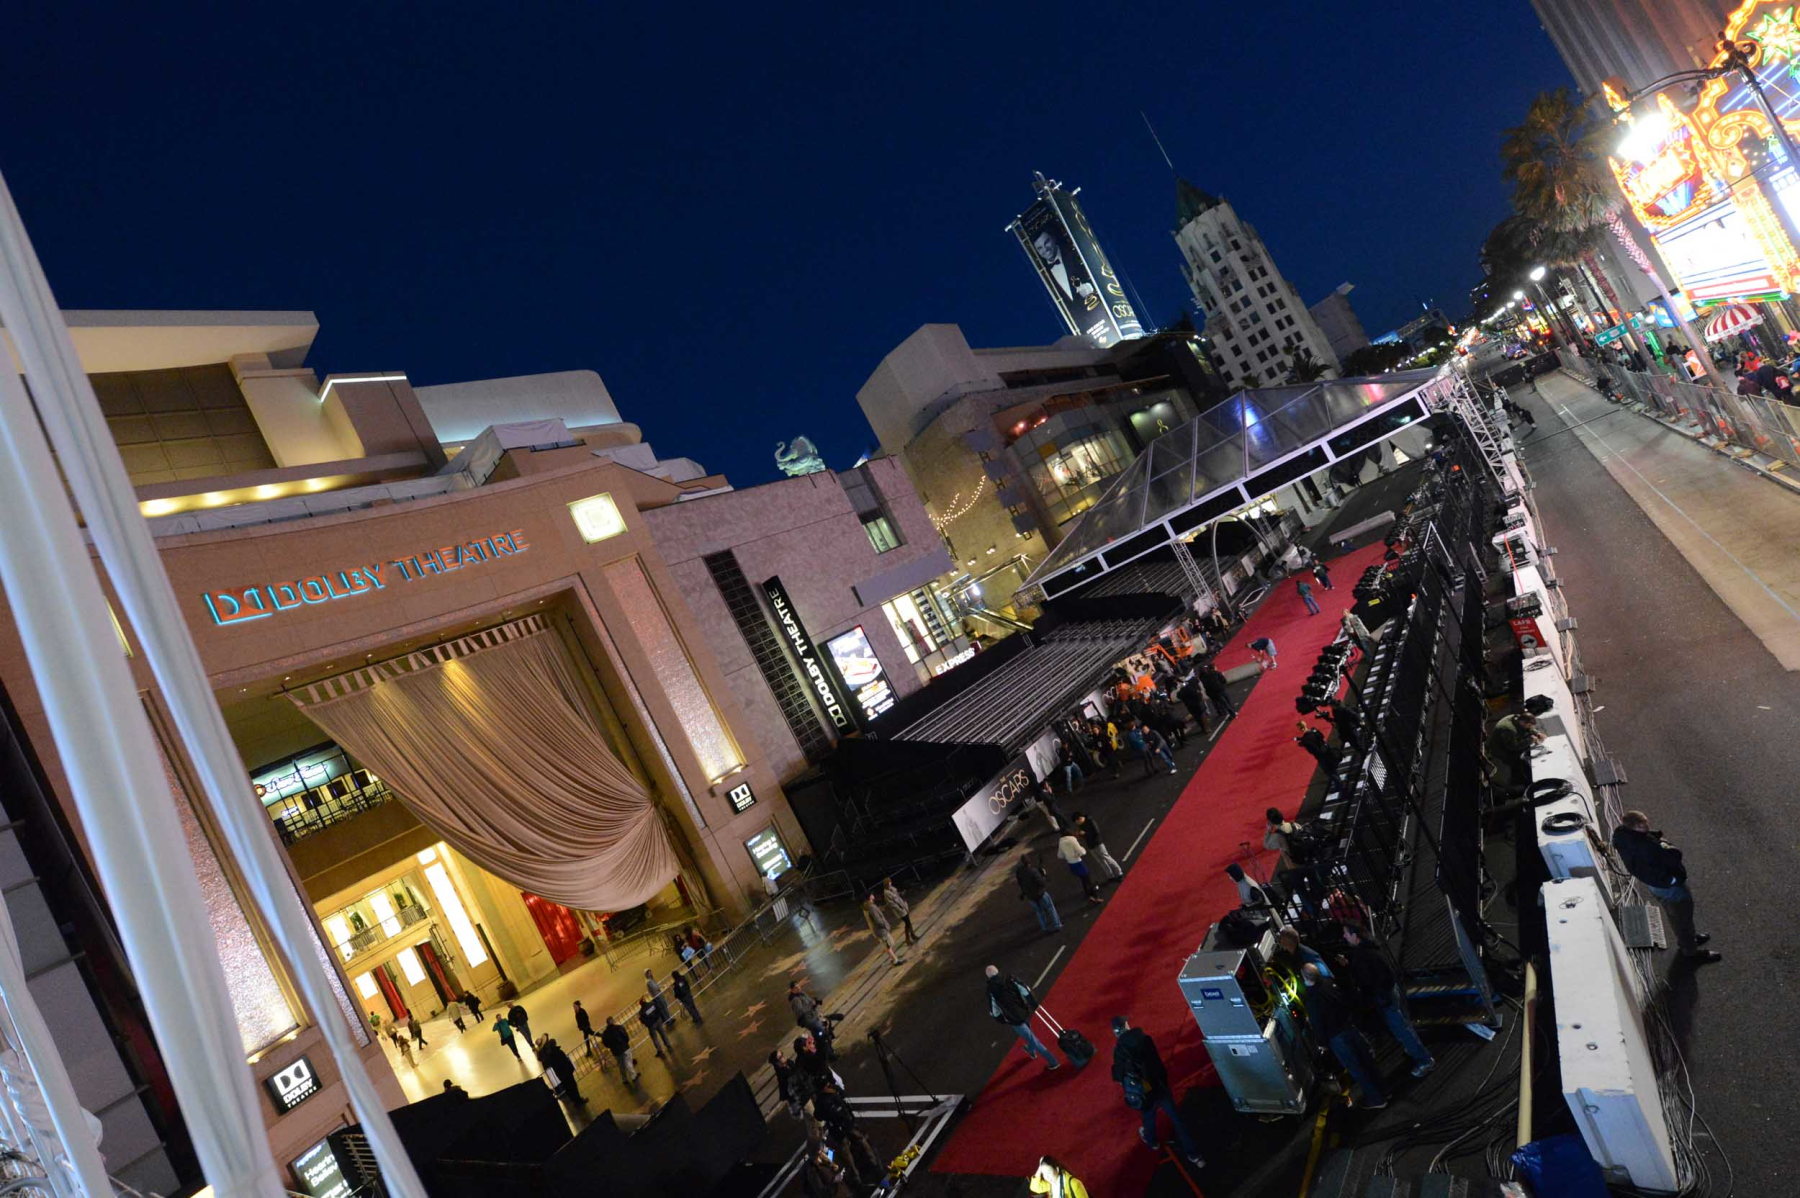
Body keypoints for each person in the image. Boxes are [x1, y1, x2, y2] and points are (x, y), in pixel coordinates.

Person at [1612, 811, 1720, 963]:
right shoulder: (1645, 847)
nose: (1647, 826)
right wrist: (1673, 879)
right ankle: (1690, 950)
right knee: (1681, 916)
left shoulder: (1624, 837)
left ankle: (1688, 939)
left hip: (1657, 885)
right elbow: (1666, 859)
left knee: (1677, 914)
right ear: (1634, 827)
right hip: (1668, 886)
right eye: (1642, 825)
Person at [1338, 926, 1435, 1077]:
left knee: (1402, 1030)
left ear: (1355, 936)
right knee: (1404, 1026)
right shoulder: (1370, 949)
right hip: (1389, 992)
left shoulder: (1363, 955)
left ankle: (1425, 1060)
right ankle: (1415, 1051)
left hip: (1384, 997)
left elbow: (1368, 980)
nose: (1344, 936)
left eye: (1346, 933)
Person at [1110, 1016, 1205, 1167]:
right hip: (1158, 1084)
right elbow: (1156, 1062)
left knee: (1148, 1115)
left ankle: (1152, 1141)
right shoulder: (1144, 1038)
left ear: (1116, 1032)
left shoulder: (1119, 1050)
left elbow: (1118, 1076)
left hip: (1144, 1089)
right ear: (1127, 1025)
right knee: (1176, 1118)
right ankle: (1194, 1155)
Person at [1300, 963, 1385, 1108]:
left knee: (1356, 1069)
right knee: (1368, 1061)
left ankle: (1377, 1100)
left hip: (1337, 1037)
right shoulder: (1329, 983)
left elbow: (1318, 1024)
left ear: (1306, 978)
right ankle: (1384, 1090)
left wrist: (1322, 1044)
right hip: (1350, 1027)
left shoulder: (1312, 1000)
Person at [985, 965, 1060, 1069]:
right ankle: (1031, 1050)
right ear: (998, 972)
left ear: (988, 977)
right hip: (1024, 1011)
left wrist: (1003, 1020)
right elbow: (1025, 989)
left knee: (1033, 1039)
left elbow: (994, 1011)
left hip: (1013, 1019)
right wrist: (1034, 1004)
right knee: (1029, 1033)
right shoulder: (1010, 978)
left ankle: (1053, 1061)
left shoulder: (990, 990)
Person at [1490, 711, 1543, 788]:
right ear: (1523, 722)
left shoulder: (1517, 718)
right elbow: (1513, 747)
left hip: (1508, 742)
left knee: (1522, 758)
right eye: (1529, 725)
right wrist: (1530, 740)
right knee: (1518, 763)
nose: (1530, 727)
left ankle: (1517, 780)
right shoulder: (1508, 729)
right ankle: (1523, 784)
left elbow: (1528, 728)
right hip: (1501, 750)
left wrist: (1537, 733)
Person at [1015, 852, 1062, 933]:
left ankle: (1044, 928)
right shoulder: (1033, 871)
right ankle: (1057, 925)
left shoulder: (1019, 872)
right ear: (1029, 861)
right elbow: (1042, 883)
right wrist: (1043, 875)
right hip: (1040, 894)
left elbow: (1020, 883)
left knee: (1039, 912)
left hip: (1030, 896)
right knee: (1050, 908)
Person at [1074, 812, 1124, 881]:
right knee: (1101, 861)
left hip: (1098, 844)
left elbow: (1096, 832)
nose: (1077, 824)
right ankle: (1110, 875)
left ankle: (1119, 873)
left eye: (1076, 822)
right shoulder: (1081, 824)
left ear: (1080, 818)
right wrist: (1080, 834)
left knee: (1107, 858)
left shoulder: (1091, 821)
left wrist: (1085, 833)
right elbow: (1085, 835)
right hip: (1090, 845)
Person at [1056, 830, 1103, 904]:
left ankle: (1088, 895)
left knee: (1083, 880)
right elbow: (1082, 852)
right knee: (1088, 880)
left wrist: (1068, 856)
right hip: (1078, 863)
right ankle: (1096, 897)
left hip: (1071, 865)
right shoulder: (1072, 840)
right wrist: (1080, 851)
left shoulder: (1061, 842)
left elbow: (1060, 855)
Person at [536, 1035, 582, 1103]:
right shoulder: (554, 1052)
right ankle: (578, 1100)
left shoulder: (547, 1056)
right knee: (572, 1086)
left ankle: (575, 1101)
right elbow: (563, 1061)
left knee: (568, 1088)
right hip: (566, 1072)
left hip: (561, 1074)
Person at [862, 893, 905, 965]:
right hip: (881, 930)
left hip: (876, 930)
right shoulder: (871, 907)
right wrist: (886, 926)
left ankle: (893, 957)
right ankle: (895, 960)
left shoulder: (866, 907)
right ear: (870, 897)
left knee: (887, 944)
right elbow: (878, 920)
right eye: (872, 894)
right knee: (888, 945)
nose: (873, 895)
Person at [881, 877, 919, 946]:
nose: (890, 883)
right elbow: (891, 904)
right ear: (886, 884)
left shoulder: (891, 888)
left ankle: (912, 936)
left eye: (890, 882)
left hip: (903, 906)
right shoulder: (886, 893)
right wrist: (900, 908)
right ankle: (908, 939)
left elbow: (897, 895)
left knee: (908, 923)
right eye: (889, 882)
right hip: (899, 910)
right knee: (908, 923)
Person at [601, 1015, 638, 1081]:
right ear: (613, 1021)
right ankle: (633, 1076)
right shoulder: (619, 1027)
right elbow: (626, 1036)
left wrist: (611, 1047)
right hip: (624, 1048)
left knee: (621, 1065)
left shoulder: (605, 1033)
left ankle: (624, 1079)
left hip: (615, 1052)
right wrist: (625, 1043)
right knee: (628, 1062)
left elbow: (605, 1043)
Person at [639, 992, 674, 1057]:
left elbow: (643, 1021)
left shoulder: (641, 1012)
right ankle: (668, 1044)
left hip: (651, 1026)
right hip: (658, 1021)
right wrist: (659, 1018)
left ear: (640, 1004)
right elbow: (658, 1010)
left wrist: (648, 1025)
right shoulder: (652, 1004)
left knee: (655, 1038)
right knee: (663, 1034)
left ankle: (660, 1051)